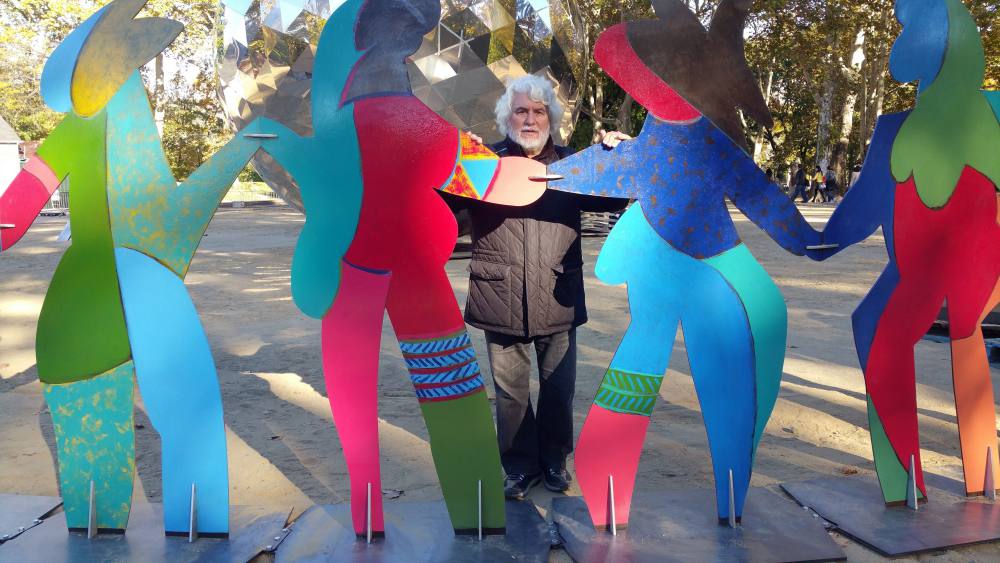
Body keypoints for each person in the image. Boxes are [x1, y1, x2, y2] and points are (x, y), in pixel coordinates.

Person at [459, 75, 630, 500]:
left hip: (558, 296)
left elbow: (612, 199)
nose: (530, 119)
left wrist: (616, 158)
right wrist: (457, 161)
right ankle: (519, 467)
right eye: (521, 110)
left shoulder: (572, 163)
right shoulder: (486, 163)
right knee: (511, 395)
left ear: (550, 117)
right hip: (499, 296)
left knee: (558, 389)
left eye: (538, 111)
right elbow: (448, 206)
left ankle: (554, 460)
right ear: (507, 117)